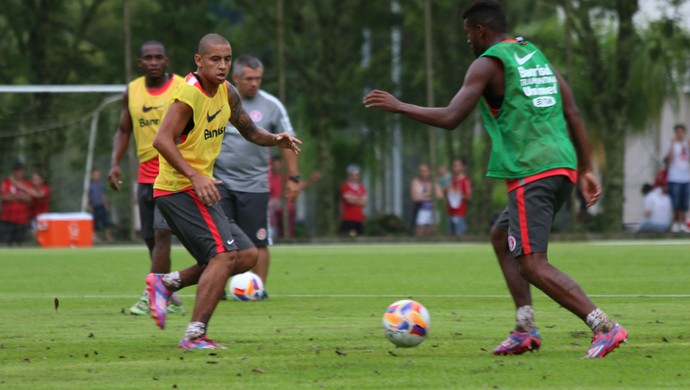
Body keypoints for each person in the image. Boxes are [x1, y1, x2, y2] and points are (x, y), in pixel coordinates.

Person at [363, 0, 627, 358]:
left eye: (468, 33)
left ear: (480, 31)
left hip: (530, 170)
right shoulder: (534, 55)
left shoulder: (488, 64)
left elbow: (451, 116)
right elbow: (572, 110)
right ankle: (525, 328)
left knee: (532, 263)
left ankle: (603, 326)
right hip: (561, 166)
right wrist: (586, 169)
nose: (468, 41)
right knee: (502, 236)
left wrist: (399, 106)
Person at [146, 33, 301, 350]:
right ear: (199, 60)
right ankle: (194, 335)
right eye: (215, 59)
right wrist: (195, 176)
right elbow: (161, 140)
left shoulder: (227, 92)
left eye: (227, 59)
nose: (222, 65)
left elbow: (250, 130)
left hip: (200, 188)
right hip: (179, 189)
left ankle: (166, 284)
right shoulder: (189, 94)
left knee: (245, 255)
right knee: (223, 255)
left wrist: (275, 139)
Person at [108, 40, 185, 316]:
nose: (153, 62)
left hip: (172, 173)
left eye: (158, 57)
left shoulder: (181, 87)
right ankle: (169, 293)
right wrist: (114, 163)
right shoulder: (132, 91)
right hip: (144, 174)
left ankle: (151, 295)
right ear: (140, 63)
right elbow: (123, 130)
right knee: (151, 238)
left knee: (163, 235)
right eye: (148, 58)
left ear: (167, 61)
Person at [213, 55, 301, 291]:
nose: (254, 83)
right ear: (236, 78)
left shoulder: (272, 105)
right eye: (249, 78)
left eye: (258, 79)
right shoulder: (218, 99)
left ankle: (257, 291)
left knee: (258, 241)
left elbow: (288, 142)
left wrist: (294, 178)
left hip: (255, 185)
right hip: (220, 182)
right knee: (220, 241)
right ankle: (216, 289)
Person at [1, 161, 41, 245]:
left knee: (19, 243)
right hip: (7, 218)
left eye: (20, 170)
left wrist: (14, 196)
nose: (19, 172)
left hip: (21, 218)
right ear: (13, 171)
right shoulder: (6, 182)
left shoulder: (26, 184)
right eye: (17, 170)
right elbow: (4, 197)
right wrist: (20, 197)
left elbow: (29, 198)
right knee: (5, 242)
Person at [665, 124, 690, 233]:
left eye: (681, 132)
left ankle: (683, 223)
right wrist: (672, 144)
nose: (679, 134)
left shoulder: (687, 145)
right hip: (675, 177)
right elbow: (669, 159)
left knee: (684, 203)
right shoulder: (671, 144)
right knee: (675, 202)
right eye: (677, 132)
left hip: (686, 177)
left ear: (684, 133)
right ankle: (675, 223)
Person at [410, 163, 441, 237]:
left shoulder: (433, 182)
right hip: (421, 209)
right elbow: (414, 198)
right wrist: (423, 197)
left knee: (431, 230)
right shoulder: (416, 182)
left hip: (432, 210)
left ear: (429, 172)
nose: (423, 173)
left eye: (425, 171)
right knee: (419, 230)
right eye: (421, 171)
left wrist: (431, 195)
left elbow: (440, 195)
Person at [444, 157, 472, 236]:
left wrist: (457, 193)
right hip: (449, 214)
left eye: (457, 165)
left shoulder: (465, 180)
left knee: (459, 237)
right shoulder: (450, 180)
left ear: (463, 167)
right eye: (454, 165)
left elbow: (469, 197)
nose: (455, 168)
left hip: (460, 214)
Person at [339, 164, 367, 237]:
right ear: (349, 175)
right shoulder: (345, 186)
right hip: (348, 219)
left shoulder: (362, 187)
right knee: (349, 238)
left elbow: (364, 202)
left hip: (359, 218)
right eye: (352, 175)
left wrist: (354, 200)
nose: (354, 177)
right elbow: (349, 201)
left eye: (356, 175)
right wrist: (359, 200)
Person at [88, 169, 114, 243]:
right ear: (92, 176)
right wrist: (89, 206)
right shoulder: (89, 185)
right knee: (94, 223)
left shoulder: (101, 184)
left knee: (106, 221)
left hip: (102, 206)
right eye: (95, 175)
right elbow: (88, 196)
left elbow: (104, 195)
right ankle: (94, 237)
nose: (97, 177)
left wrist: (106, 204)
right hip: (94, 207)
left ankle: (109, 237)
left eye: (98, 175)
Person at [28, 172, 51, 240]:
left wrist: (23, 187)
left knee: (44, 237)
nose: (36, 182)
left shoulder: (46, 189)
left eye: (37, 179)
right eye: (34, 179)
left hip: (44, 218)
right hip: (33, 218)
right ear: (31, 181)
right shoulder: (29, 189)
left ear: (41, 180)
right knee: (35, 235)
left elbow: (39, 195)